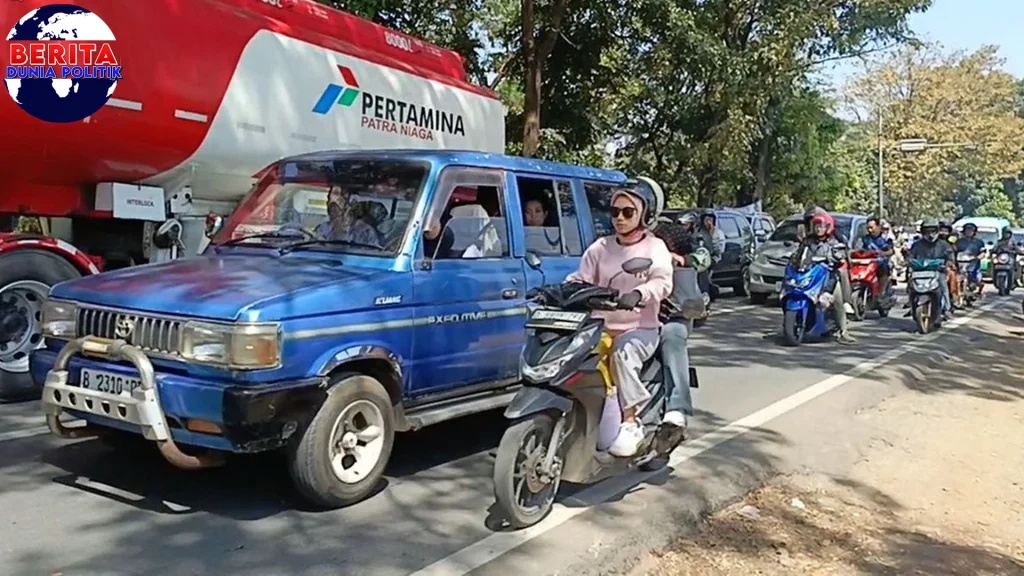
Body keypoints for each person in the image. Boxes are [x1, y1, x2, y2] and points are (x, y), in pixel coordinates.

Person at [566, 181, 672, 457]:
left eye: (628, 212)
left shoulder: (654, 247)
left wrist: (639, 293)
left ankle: (630, 420)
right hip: (599, 327)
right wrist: (562, 290)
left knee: (622, 353)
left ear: (645, 215)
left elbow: (662, 281)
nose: (620, 219)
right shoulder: (600, 247)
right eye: (615, 211)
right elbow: (581, 279)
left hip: (639, 329)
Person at [653, 210, 712, 435]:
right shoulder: (613, 243)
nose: (622, 217)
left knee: (672, 335)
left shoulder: (671, 233)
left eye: (629, 211)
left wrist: (681, 259)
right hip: (629, 315)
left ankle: (677, 406)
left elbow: (703, 258)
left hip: (672, 313)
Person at [800, 210, 856, 344]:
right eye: (816, 226)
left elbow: (841, 254)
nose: (819, 229)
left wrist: (837, 257)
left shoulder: (834, 240)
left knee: (838, 300)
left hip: (828, 275)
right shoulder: (809, 241)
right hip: (811, 274)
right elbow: (800, 254)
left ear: (828, 227)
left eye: (822, 226)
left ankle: (844, 331)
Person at [909, 219, 955, 320]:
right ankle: (911, 305)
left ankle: (946, 309)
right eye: (927, 231)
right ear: (922, 232)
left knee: (943, 286)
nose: (930, 234)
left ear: (937, 231)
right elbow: (910, 257)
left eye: (933, 231)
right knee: (911, 287)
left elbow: (950, 257)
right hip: (920, 273)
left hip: (938, 272)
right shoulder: (917, 245)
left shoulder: (944, 244)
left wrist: (947, 264)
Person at [313, 185, 383, 248]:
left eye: (345, 194)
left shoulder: (366, 231)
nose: (340, 198)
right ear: (329, 199)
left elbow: (376, 253)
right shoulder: (322, 229)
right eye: (336, 193)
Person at [860, 216, 895, 299]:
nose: (870, 230)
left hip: (881, 264)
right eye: (868, 228)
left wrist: (882, 253)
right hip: (867, 264)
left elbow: (891, 251)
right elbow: (859, 248)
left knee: (883, 269)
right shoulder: (865, 239)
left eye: (871, 227)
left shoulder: (886, 238)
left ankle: (881, 293)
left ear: (878, 226)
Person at [955, 223, 986, 295]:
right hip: (960, 263)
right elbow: (954, 250)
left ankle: (977, 290)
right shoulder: (958, 241)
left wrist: (978, 257)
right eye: (967, 230)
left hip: (973, 264)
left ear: (974, 232)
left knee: (976, 279)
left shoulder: (979, 242)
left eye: (971, 230)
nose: (969, 232)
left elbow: (983, 253)